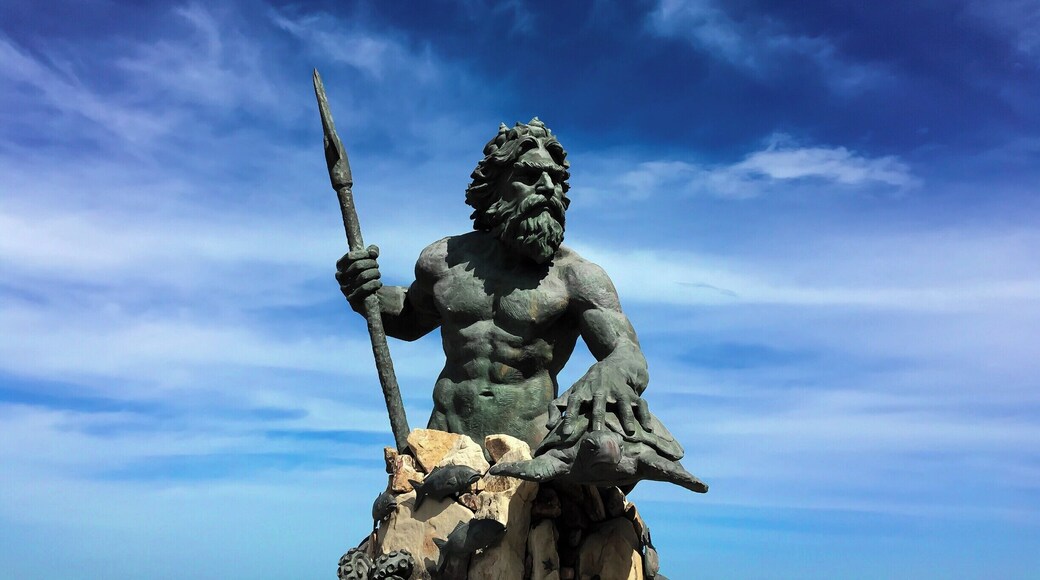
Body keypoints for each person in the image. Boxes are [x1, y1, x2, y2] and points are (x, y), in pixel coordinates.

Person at [336, 118, 653, 451]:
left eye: (558, 180)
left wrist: (611, 370)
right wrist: (365, 291)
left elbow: (628, 353)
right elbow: (410, 317)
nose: (547, 187)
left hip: (527, 451)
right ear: (496, 186)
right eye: (530, 177)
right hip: (445, 445)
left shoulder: (575, 278)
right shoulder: (445, 260)